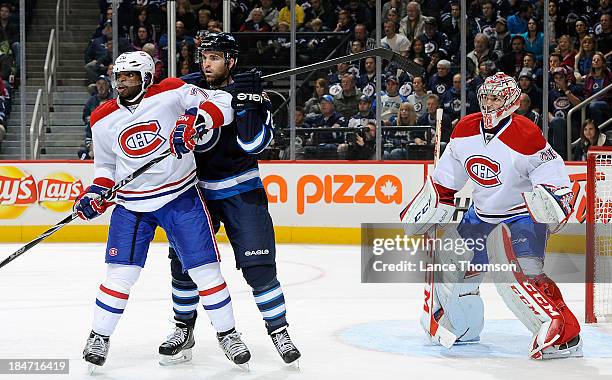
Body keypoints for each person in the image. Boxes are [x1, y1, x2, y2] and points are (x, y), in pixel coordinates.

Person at [75, 51, 251, 370]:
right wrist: (96, 191)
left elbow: (223, 103)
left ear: (145, 77)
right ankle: (99, 336)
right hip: (131, 205)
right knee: (120, 275)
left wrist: (195, 120)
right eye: (119, 76)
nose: (121, 82)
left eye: (129, 76)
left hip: (179, 197)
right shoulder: (102, 117)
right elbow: (105, 165)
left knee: (205, 271)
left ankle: (228, 334)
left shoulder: (171, 90)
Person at [400, 72, 582, 360]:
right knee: (452, 264)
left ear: (510, 100)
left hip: (519, 217)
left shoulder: (525, 134)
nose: (488, 103)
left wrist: (555, 196)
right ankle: (463, 326)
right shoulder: (465, 129)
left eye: (495, 98)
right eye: (485, 97)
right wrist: (433, 203)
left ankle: (565, 333)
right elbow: (446, 179)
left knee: (516, 274)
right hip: (481, 215)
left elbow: (551, 172)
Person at [162, 31, 301, 365]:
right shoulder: (187, 90)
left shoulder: (253, 92)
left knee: (259, 267)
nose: (207, 64)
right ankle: (184, 328)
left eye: (215, 57)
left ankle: (279, 330)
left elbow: (253, 145)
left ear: (231, 61)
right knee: (184, 266)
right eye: (204, 57)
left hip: (241, 191)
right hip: (194, 194)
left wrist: (249, 103)